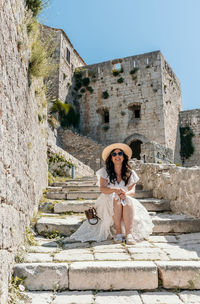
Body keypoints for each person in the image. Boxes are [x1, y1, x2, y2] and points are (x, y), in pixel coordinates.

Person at [70, 143, 154, 244]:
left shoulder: (130, 173)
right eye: (114, 154)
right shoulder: (105, 172)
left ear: (124, 156)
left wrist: (125, 194)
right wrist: (115, 190)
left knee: (127, 200)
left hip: (125, 198)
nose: (117, 156)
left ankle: (129, 234)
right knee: (116, 198)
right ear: (111, 158)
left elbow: (132, 191)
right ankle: (118, 232)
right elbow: (103, 188)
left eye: (120, 153)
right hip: (107, 198)